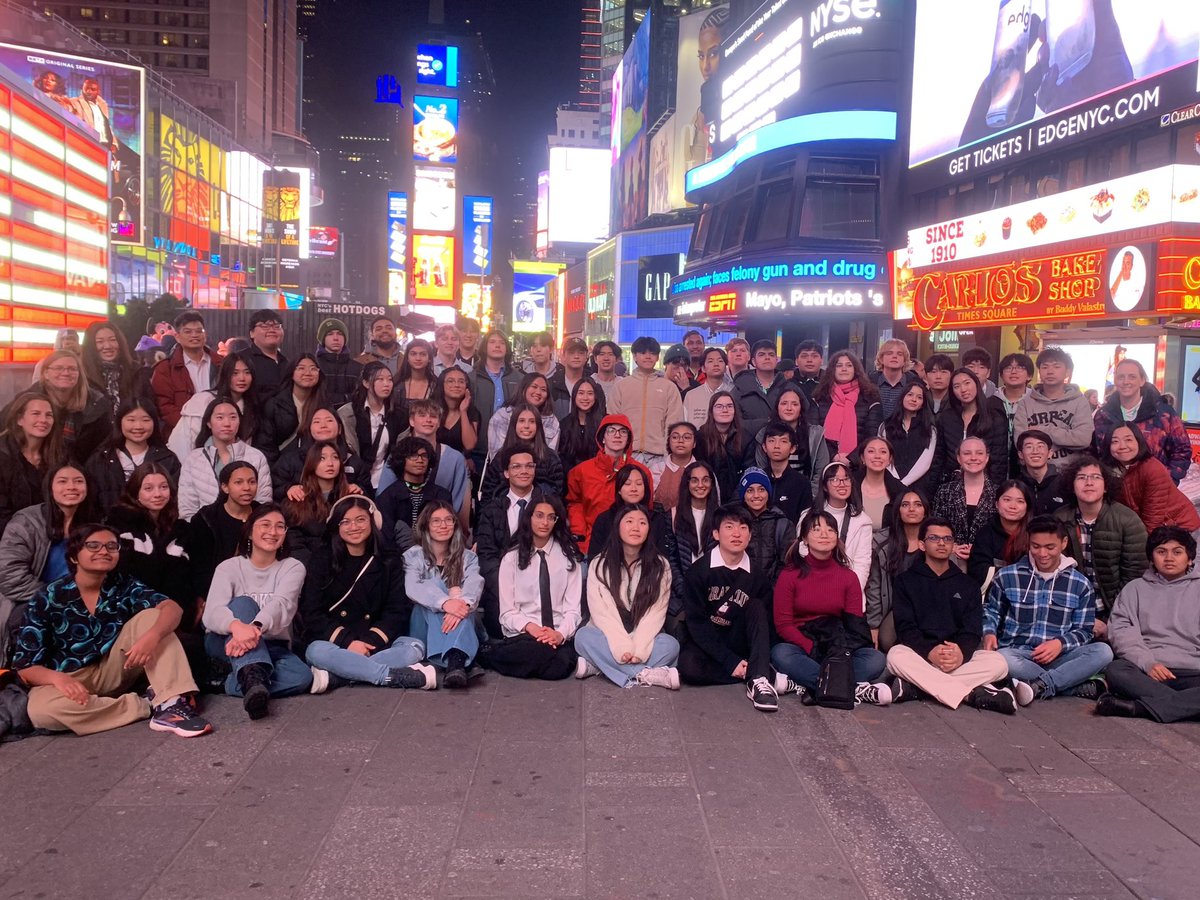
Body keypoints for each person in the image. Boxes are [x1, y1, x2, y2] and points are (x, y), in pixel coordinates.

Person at [12, 524, 211, 737]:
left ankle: (171, 705)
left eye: (111, 546)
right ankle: (146, 705)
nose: (104, 551)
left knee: (154, 617)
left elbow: (172, 608)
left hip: (116, 667)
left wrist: (152, 637)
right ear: (74, 557)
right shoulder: (48, 597)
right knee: (41, 712)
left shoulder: (123, 585)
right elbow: (26, 666)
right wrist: (58, 680)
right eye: (93, 546)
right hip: (69, 679)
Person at [300, 496, 434, 692]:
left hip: (374, 642)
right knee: (315, 651)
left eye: (360, 519)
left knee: (414, 646)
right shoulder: (322, 559)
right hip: (336, 643)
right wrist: (349, 642)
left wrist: (368, 643)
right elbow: (312, 612)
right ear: (336, 526)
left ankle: (339, 676)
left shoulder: (389, 559)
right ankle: (387, 676)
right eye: (345, 521)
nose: (354, 526)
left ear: (373, 521)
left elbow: (396, 610)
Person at [886, 518, 1014, 712]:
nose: (941, 543)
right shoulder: (906, 581)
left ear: (953, 544)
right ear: (922, 544)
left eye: (947, 538)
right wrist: (930, 651)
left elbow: (972, 631)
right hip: (921, 656)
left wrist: (960, 652)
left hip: (956, 659)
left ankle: (916, 688)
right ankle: (971, 695)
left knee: (999, 663)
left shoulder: (968, 584)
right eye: (934, 538)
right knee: (896, 656)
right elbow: (905, 628)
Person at [983, 515, 1114, 703]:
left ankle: (1040, 684)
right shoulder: (1007, 575)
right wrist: (989, 633)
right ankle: (1067, 684)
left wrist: (1060, 644)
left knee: (1103, 652)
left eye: (1049, 547)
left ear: (1063, 543)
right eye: (1035, 546)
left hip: (1060, 655)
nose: (1042, 554)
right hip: (1018, 654)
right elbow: (991, 610)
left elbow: (1084, 630)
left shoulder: (1080, 583)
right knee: (1002, 658)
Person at [772, 511, 891, 705]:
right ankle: (851, 688)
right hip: (804, 642)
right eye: (816, 529)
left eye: (830, 529)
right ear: (804, 538)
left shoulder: (848, 577)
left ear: (837, 537)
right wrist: (811, 648)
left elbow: (855, 625)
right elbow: (783, 625)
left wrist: (837, 651)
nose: (824, 534)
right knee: (781, 654)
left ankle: (813, 685)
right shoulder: (790, 574)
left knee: (875, 659)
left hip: (838, 641)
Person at [203, 504, 311, 718]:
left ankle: (234, 681)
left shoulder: (293, 567)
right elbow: (212, 612)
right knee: (243, 603)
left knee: (301, 676)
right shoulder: (229, 567)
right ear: (250, 531)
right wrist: (237, 627)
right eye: (265, 525)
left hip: (272, 644)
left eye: (280, 527)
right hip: (225, 642)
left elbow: (282, 604)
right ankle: (251, 678)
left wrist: (254, 629)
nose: (273, 532)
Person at [573, 503, 680, 689]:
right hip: (608, 636)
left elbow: (656, 613)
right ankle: (646, 674)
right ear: (618, 526)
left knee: (671, 645)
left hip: (645, 639)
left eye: (642, 523)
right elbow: (602, 614)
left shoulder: (660, 565)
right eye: (629, 521)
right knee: (583, 637)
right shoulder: (600, 564)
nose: (635, 528)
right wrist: (622, 648)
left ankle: (600, 667)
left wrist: (639, 649)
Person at [1101, 526, 1200, 722]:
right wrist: (1148, 663)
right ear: (1151, 558)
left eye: (1177, 552)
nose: (1169, 558)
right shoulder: (1134, 589)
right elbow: (1122, 631)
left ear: (1190, 558)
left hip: (1194, 671)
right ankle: (1184, 706)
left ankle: (1139, 708)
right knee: (1116, 670)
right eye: (1161, 552)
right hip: (1147, 671)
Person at [481, 493, 584, 680]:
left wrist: (559, 634)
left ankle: (506, 659)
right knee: (543, 654)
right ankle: (495, 655)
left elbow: (573, 611)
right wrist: (532, 628)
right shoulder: (511, 559)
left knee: (557, 669)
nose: (544, 522)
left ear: (557, 521)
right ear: (529, 518)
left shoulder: (569, 559)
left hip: (558, 633)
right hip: (524, 634)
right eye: (539, 515)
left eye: (551, 517)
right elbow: (507, 613)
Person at [0, 462, 92, 658]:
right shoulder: (26, 522)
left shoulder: (92, 525)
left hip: (78, 600)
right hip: (28, 600)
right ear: (49, 487)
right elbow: (9, 575)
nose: (71, 487)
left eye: (78, 481)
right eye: (62, 481)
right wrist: (57, 596)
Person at [1052, 456, 1147, 629]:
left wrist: (1111, 619)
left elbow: (1134, 576)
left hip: (1116, 611)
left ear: (1106, 486)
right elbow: (1055, 572)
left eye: (1096, 477)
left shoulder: (1127, 520)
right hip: (1071, 608)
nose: (1089, 482)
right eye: (1081, 477)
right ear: (1071, 486)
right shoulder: (1059, 519)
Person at [404, 501, 484, 689]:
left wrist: (462, 603)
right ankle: (460, 659)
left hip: (460, 618)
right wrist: (446, 602)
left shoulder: (469, 557)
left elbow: (475, 583)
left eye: (449, 520)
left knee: (464, 604)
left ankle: (455, 664)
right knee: (437, 596)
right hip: (422, 626)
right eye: (436, 521)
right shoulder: (412, 556)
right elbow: (413, 587)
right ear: (426, 526)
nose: (443, 525)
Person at [475, 443, 540, 637]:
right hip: (502, 589)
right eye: (517, 466)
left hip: (539, 587)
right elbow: (486, 556)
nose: (524, 471)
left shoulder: (548, 506)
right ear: (506, 473)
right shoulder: (491, 509)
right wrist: (508, 588)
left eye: (529, 466)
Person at [1093, 359, 1191, 484]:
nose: (1126, 382)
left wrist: (1168, 478)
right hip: (1114, 488)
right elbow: (1097, 452)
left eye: (1132, 377)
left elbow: (1182, 449)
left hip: (1154, 487)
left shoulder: (1163, 413)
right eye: (1121, 377)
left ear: (1142, 380)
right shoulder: (1103, 415)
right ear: (1115, 380)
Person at [177, 398, 272, 521]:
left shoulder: (255, 456)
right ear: (208, 423)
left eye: (233, 417)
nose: (227, 423)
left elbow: (263, 502)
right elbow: (187, 508)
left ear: (239, 421)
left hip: (247, 528)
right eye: (220, 417)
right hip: (204, 532)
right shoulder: (193, 459)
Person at [566, 414, 646, 554]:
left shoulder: (641, 472)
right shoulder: (581, 471)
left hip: (631, 548)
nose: (617, 435)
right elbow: (575, 504)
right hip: (591, 544)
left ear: (628, 439)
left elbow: (647, 508)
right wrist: (579, 535)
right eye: (611, 430)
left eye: (623, 431)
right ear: (602, 438)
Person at [609, 336, 685, 481]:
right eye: (643, 353)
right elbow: (613, 421)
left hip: (659, 457)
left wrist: (667, 453)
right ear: (635, 356)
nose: (648, 356)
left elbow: (674, 423)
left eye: (652, 353)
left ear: (657, 357)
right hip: (627, 455)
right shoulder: (621, 386)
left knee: (657, 500)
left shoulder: (668, 387)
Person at [1104, 423, 1200, 535]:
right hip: (1150, 528)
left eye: (1128, 440)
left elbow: (1153, 518)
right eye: (1115, 441)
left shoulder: (1152, 468)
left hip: (1179, 527)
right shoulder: (1111, 471)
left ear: (1139, 442)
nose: (1122, 446)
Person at [85, 397, 179, 511]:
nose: (138, 426)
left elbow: (174, 501)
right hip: (109, 526)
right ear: (119, 422)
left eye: (145, 420)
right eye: (131, 420)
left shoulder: (168, 459)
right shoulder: (100, 459)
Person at [281, 440, 362, 564]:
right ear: (312, 463)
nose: (330, 463)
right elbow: (294, 542)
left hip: (345, 564)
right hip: (307, 565)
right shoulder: (297, 498)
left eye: (335, 458)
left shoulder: (351, 496)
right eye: (322, 458)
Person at [168, 351, 258, 462]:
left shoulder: (250, 406)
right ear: (225, 375)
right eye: (235, 373)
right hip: (195, 465)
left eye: (247, 372)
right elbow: (182, 441)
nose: (242, 378)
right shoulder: (204, 401)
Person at [185, 460, 260, 592]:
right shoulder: (206, 518)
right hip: (216, 588)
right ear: (225, 487)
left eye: (252, 482)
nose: (247, 487)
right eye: (239, 482)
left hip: (259, 585)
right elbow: (199, 566)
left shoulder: (264, 514)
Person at [866, 489, 927, 650]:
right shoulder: (882, 543)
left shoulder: (936, 540)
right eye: (905, 505)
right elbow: (874, 587)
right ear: (898, 511)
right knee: (886, 641)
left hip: (929, 607)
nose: (911, 509)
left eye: (918, 505)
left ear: (926, 511)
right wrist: (874, 625)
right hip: (897, 608)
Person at [797, 462, 873, 590]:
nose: (842, 484)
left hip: (847, 591)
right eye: (835, 479)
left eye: (846, 479)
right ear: (825, 486)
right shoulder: (808, 515)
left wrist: (851, 592)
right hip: (813, 588)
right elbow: (802, 551)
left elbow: (862, 563)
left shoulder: (862, 520)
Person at [397, 399, 471, 528]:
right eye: (422, 415)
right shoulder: (397, 453)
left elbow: (458, 502)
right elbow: (386, 495)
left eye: (433, 416)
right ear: (411, 421)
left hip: (442, 526)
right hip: (403, 526)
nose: (428, 420)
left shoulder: (455, 458)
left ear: (438, 423)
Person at [929, 368, 1008, 489]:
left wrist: (993, 492)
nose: (963, 389)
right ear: (952, 391)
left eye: (967, 383)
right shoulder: (947, 418)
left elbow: (999, 462)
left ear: (976, 384)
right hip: (950, 484)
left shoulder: (994, 418)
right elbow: (939, 457)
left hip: (984, 485)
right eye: (956, 386)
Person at [1013, 348, 1094, 463]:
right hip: (1035, 474)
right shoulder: (1026, 403)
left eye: (1056, 366)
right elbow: (1020, 441)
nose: (1050, 371)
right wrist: (1066, 436)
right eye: (1045, 367)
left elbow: (1083, 439)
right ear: (1039, 371)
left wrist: (1044, 430)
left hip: (1069, 473)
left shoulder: (1079, 402)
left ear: (1068, 372)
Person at [272, 406, 368, 502]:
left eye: (329, 420)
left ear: (339, 429)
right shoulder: (290, 460)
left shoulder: (352, 461)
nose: (323, 425)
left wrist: (359, 490)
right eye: (317, 422)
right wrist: (288, 489)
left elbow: (368, 491)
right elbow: (275, 486)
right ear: (309, 429)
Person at [31, 349, 112, 462]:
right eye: (59, 368)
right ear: (45, 373)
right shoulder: (27, 401)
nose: (65, 373)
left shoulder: (97, 403)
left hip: (82, 470)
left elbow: (104, 448)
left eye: (72, 369)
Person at [750, 383, 829, 499]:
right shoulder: (764, 434)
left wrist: (808, 497)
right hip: (772, 496)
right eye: (784, 403)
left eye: (794, 404)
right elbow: (762, 470)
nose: (789, 408)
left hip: (807, 495)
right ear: (777, 407)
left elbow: (821, 472)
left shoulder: (815, 435)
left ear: (801, 408)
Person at [339, 361, 406, 495]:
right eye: (380, 379)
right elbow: (348, 448)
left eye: (389, 379)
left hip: (387, 479)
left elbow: (400, 450)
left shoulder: (399, 415)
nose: (387, 384)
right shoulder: (348, 413)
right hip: (356, 479)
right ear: (366, 383)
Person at [478, 402, 565, 505]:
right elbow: (488, 495)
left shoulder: (551, 458)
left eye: (532, 421)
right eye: (522, 421)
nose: (526, 426)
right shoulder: (500, 457)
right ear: (514, 425)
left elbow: (557, 496)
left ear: (538, 426)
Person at [0, 392, 61, 537]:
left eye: (49, 415)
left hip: (51, 534)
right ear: (20, 419)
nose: (43, 420)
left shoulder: (60, 454)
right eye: (36, 413)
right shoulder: (3, 455)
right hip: (9, 537)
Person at [376, 436, 452, 550]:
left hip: (436, 553)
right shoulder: (387, 497)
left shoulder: (442, 495)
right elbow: (386, 538)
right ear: (402, 460)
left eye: (424, 456)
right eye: (413, 455)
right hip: (399, 557)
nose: (420, 460)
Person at [668, 461, 720, 627]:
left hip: (715, 592)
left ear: (711, 484)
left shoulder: (721, 516)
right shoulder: (673, 515)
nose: (700, 485)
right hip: (682, 592)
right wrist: (686, 592)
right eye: (694, 480)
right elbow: (670, 561)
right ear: (687, 483)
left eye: (705, 480)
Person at [932, 436, 999, 567]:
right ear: (958, 458)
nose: (973, 458)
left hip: (987, 561)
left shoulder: (999, 493)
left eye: (979, 453)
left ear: (987, 457)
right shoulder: (945, 491)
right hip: (950, 560)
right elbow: (935, 527)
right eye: (967, 453)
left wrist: (978, 548)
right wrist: (952, 547)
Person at [585, 464, 668, 563]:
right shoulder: (604, 519)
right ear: (619, 489)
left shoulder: (656, 519)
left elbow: (662, 559)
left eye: (639, 484)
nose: (633, 489)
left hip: (648, 574)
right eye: (627, 484)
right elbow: (594, 558)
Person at [150, 311, 217, 433]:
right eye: (188, 332)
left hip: (218, 431)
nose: (194, 335)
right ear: (177, 336)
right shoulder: (165, 369)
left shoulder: (221, 364)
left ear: (205, 334)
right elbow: (164, 406)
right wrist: (192, 426)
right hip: (182, 433)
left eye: (199, 331)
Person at [256, 353, 327, 465]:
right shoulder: (275, 405)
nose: (308, 373)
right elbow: (266, 445)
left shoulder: (325, 404)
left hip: (315, 465)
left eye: (313, 369)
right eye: (301, 368)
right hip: (282, 466)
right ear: (292, 373)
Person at [813, 350, 882, 463]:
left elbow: (871, 435)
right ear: (832, 370)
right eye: (839, 365)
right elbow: (814, 434)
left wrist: (851, 459)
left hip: (859, 464)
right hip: (825, 462)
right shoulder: (820, 397)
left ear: (856, 370)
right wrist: (833, 456)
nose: (844, 369)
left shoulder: (870, 397)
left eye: (849, 365)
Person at [967, 480, 1034, 588]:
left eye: (1020, 501)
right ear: (997, 504)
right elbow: (978, 570)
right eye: (1007, 500)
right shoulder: (986, 533)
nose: (1013, 506)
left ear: (1027, 507)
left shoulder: (1035, 533)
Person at [734, 467, 790, 583]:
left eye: (761, 489)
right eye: (750, 490)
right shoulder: (735, 523)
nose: (756, 495)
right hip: (740, 592)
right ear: (743, 496)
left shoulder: (782, 523)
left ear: (768, 493)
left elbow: (787, 563)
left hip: (774, 592)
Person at [472, 330, 521, 461]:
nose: (497, 346)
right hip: (479, 449)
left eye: (502, 343)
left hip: (511, 448)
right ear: (484, 347)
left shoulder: (519, 378)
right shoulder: (472, 377)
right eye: (492, 342)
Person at [80, 321, 148, 416]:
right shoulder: (82, 375)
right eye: (100, 342)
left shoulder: (136, 371)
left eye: (112, 340)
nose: (108, 346)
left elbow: (149, 406)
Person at [880, 381, 937, 490]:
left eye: (919, 397)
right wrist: (896, 482)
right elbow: (884, 456)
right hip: (890, 484)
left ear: (923, 404)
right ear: (902, 398)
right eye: (910, 395)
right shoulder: (886, 426)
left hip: (919, 487)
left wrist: (904, 483)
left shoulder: (930, 429)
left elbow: (925, 462)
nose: (914, 399)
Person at [487, 372, 561, 455]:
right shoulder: (502, 416)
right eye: (534, 386)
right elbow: (497, 455)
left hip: (541, 467)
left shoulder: (551, 421)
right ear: (523, 388)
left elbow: (550, 457)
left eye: (543, 389)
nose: (538, 392)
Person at [695, 390, 746, 502]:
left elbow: (747, 470)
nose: (725, 410)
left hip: (738, 499)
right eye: (719, 406)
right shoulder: (700, 437)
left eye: (729, 406)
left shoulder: (744, 437)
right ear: (711, 411)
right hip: (707, 497)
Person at [756, 423, 811, 524]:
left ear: (793, 448)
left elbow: (805, 520)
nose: (776, 446)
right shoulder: (756, 479)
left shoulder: (801, 483)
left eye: (783, 441)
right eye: (771, 441)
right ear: (764, 447)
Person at [732, 340, 786, 435]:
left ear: (776, 360)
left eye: (771, 354)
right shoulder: (739, 388)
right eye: (761, 355)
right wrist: (765, 423)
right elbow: (734, 423)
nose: (767, 358)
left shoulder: (789, 387)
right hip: (748, 445)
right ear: (753, 361)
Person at [558, 376, 608, 475]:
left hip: (598, 478)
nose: (585, 398)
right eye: (581, 393)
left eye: (590, 393)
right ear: (574, 396)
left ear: (595, 397)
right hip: (571, 479)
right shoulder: (565, 424)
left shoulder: (605, 423)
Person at [855, 436, 906, 531]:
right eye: (871, 451)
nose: (877, 456)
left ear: (890, 459)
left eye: (883, 452)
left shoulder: (900, 491)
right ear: (862, 457)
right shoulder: (849, 486)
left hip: (888, 544)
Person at [996, 352, 1034, 472]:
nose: (1013, 372)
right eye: (1008, 368)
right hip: (996, 465)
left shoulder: (1036, 401)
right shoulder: (991, 402)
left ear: (1029, 376)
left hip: (1026, 465)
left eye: (1020, 368)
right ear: (1001, 375)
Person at [432, 365, 480, 459]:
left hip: (458, 462)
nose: (456, 385)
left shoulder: (472, 412)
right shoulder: (431, 409)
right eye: (450, 381)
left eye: (461, 381)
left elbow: (469, 445)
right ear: (442, 385)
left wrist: (463, 411)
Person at [314, 317, 363, 408]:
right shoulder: (314, 366)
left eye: (340, 334)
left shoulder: (358, 368)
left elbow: (361, 396)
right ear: (323, 338)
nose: (336, 338)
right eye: (330, 334)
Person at [1015, 429, 1067, 514]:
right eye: (1029, 447)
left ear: (1050, 453)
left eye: (1040, 446)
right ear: (1021, 454)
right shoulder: (1016, 486)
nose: (1035, 451)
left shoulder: (1064, 484)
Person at [871, 339, 922, 420]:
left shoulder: (915, 384)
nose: (894, 356)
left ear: (905, 360)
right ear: (881, 359)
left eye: (900, 354)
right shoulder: (869, 383)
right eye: (889, 353)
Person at [245, 310, 289, 396]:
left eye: (277, 326)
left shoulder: (287, 363)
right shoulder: (241, 359)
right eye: (264, 326)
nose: (272, 330)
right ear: (251, 333)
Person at [655, 421, 698, 510]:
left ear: (694, 443)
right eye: (675, 437)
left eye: (686, 437)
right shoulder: (657, 469)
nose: (680, 441)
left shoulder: (703, 471)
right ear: (669, 442)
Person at [683, 347, 729, 426]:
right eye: (710, 361)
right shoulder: (691, 395)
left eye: (720, 361)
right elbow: (685, 424)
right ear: (703, 368)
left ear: (725, 368)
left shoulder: (733, 392)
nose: (716, 364)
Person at [549, 336, 590, 417]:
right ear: (563, 356)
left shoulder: (593, 384)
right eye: (571, 352)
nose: (576, 356)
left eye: (581, 353)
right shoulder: (552, 384)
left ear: (586, 357)